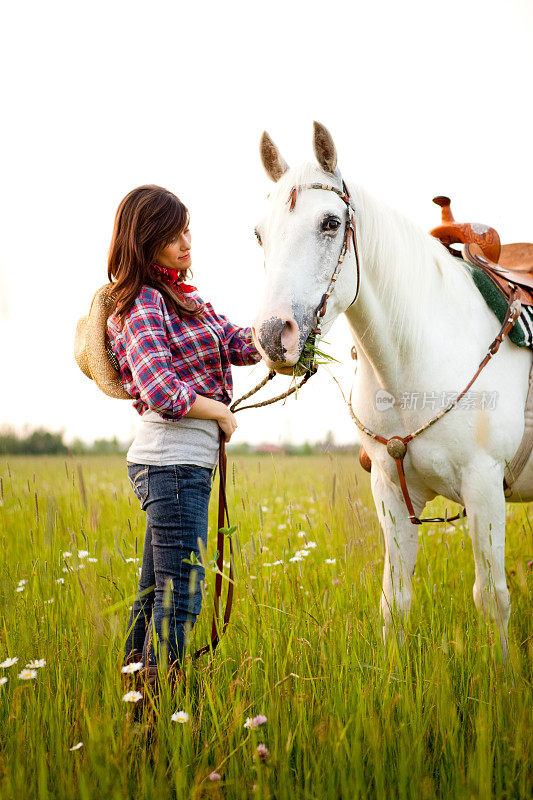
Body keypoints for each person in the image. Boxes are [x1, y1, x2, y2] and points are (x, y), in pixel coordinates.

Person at [105, 184, 261, 690]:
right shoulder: (142, 302)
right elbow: (158, 388)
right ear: (144, 241)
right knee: (182, 597)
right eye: (171, 234)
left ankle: (135, 700)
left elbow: (237, 343)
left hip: (182, 464)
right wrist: (219, 411)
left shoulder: (182, 297)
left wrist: (284, 331)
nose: (185, 242)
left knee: (156, 593)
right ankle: (154, 718)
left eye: (186, 229)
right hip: (170, 464)